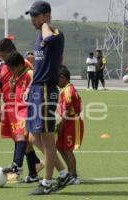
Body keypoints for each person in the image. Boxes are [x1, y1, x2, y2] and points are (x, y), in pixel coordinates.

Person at [25, 1, 73, 195]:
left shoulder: (55, 34)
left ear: (45, 16)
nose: (32, 20)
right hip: (37, 88)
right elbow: (39, 65)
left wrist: (45, 23)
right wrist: (30, 85)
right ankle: (63, 173)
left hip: (46, 89)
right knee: (32, 136)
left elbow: (48, 36)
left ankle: (46, 183)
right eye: (32, 16)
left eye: (36, 16)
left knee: (47, 138)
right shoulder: (40, 36)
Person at [0, 39, 44, 183]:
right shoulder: (4, 67)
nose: (2, 59)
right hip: (11, 106)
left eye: (3, 56)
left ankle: (17, 166)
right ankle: (34, 170)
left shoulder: (26, 67)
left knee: (22, 137)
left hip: (24, 108)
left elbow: (34, 83)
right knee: (22, 139)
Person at [56, 65, 84, 184]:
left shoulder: (68, 89)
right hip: (67, 121)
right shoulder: (66, 89)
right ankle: (69, 172)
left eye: (56, 79)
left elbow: (67, 109)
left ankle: (74, 175)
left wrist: (61, 123)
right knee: (60, 147)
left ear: (62, 77)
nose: (56, 82)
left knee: (68, 149)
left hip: (72, 122)